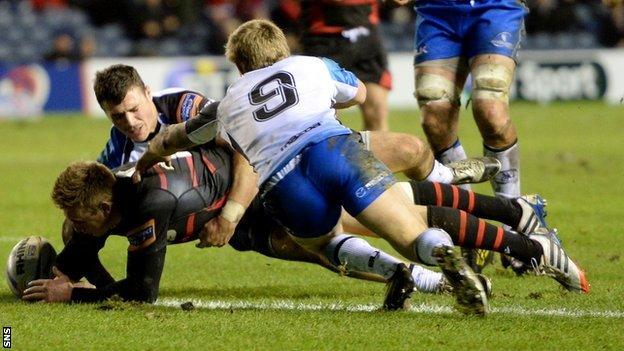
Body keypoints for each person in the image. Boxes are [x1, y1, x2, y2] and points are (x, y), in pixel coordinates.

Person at [134, 19, 588, 314]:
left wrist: (149, 158)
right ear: (280, 48)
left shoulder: (228, 102)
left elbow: (175, 137)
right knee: (410, 230)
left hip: (284, 185)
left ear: (238, 62)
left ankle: (436, 248)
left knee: (327, 245)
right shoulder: (310, 65)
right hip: (335, 150)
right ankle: (506, 250)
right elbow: (361, 96)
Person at [22, 156, 587, 305]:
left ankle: (519, 227)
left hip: (270, 184)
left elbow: (141, 292)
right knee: (355, 231)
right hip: (249, 218)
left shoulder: (150, 204)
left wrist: (78, 295)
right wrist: (56, 268)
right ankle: (447, 270)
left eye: (78, 218)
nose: (72, 227)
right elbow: (82, 250)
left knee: (393, 200)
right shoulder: (108, 196)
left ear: (102, 206)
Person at [389, 0, 532, 272]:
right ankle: (469, 227)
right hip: (438, 12)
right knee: (434, 116)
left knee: (491, 111)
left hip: (495, 8)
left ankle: (516, 219)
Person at [299, 0, 391, 131]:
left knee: (376, 111)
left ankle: (374, 152)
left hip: (367, 34)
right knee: (325, 117)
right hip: (323, 37)